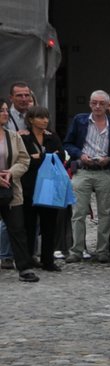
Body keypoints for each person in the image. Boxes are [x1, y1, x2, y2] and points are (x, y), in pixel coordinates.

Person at [64, 90, 110, 263]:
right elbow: (68, 143)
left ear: (108, 106)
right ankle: (77, 250)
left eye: (102, 103)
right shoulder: (80, 120)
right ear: (89, 103)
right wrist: (80, 155)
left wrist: (108, 159)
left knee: (105, 213)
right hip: (83, 170)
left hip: (104, 171)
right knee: (78, 212)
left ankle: (102, 250)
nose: (97, 106)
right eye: (94, 102)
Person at [20, 107, 67, 272]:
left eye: (46, 117)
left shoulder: (52, 137)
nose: (45, 121)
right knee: (29, 225)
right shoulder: (23, 137)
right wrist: (48, 156)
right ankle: (27, 259)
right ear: (31, 119)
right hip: (29, 186)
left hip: (48, 185)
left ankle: (48, 260)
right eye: (40, 117)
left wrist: (40, 157)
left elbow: (61, 157)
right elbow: (24, 161)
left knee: (49, 225)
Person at [1, 117, 37, 282]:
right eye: (1, 110)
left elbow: (24, 160)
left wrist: (10, 172)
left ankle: (24, 267)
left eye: (6, 110)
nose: (5, 113)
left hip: (10, 188)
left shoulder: (13, 136)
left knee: (17, 228)